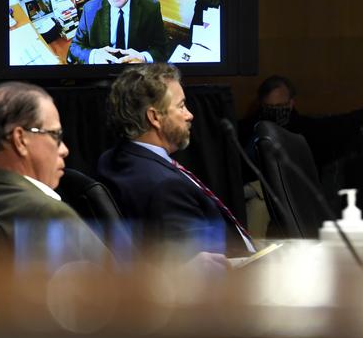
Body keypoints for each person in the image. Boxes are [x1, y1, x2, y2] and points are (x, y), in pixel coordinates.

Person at [98, 63, 255, 258]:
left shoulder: (114, 159)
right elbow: (203, 266)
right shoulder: (165, 186)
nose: (190, 115)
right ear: (155, 117)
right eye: (181, 106)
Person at [0, 82, 107, 262]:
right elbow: (119, 285)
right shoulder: (50, 213)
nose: (64, 150)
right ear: (20, 140)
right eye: (55, 135)